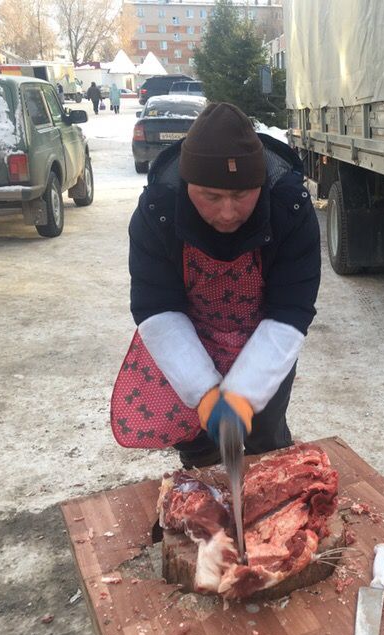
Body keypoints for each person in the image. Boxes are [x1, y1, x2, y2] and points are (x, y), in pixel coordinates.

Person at [125, 103, 320, 468]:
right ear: (187, 184)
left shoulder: (289, 208)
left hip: (265, 341)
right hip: (192, 340)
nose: (228, 212)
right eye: (211, 196)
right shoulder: (158, 213)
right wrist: (203, 391)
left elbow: (291, 309)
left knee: (267, 437)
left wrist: (245, 394)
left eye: (243, 195)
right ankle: (206, 514)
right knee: (199, 449)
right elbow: (157, 307)